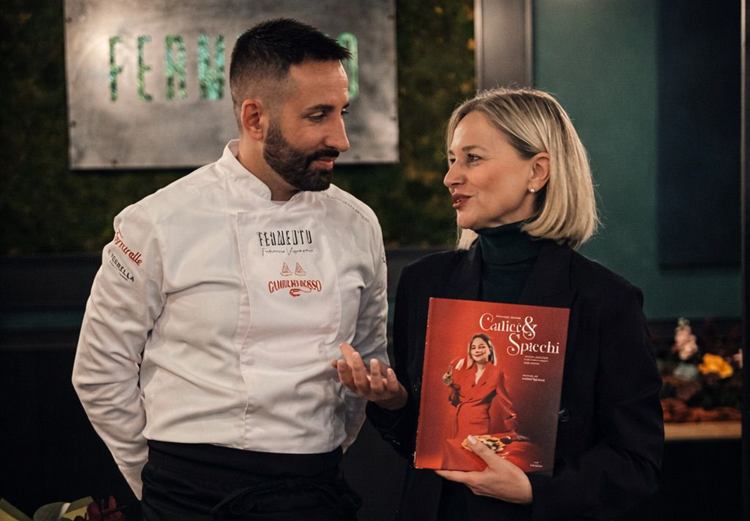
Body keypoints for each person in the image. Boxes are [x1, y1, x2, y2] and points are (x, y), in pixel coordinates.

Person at [72, 18, 388, 521]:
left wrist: (319, 454)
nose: (341, 138)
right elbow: (99, 370)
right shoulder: (157, 221)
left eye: (342, 112)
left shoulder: (358, 224)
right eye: (318, 115)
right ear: (255, 118)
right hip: (188, 496)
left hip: (314, 492)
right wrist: (157, 479)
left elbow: (368, 359)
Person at [334, 87, 663, 520]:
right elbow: (421, 445)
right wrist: (394, 402)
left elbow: (637, 465)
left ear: (537, 171)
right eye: (451, 160)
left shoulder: (605, 301)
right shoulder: (425, 284)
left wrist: (534, 490)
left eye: (472, 158)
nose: (450, 178)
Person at [442, 333, 518, 440]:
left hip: (479, 425)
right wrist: (450, 385)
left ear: (490, 349)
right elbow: (455, 401)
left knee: (475, 450)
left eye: (481, 347)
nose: (477, 350)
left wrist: (511, 431)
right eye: (473, 348)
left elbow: (506, 405)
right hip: (458, 423)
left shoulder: (497, 373)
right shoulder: (464, 372)